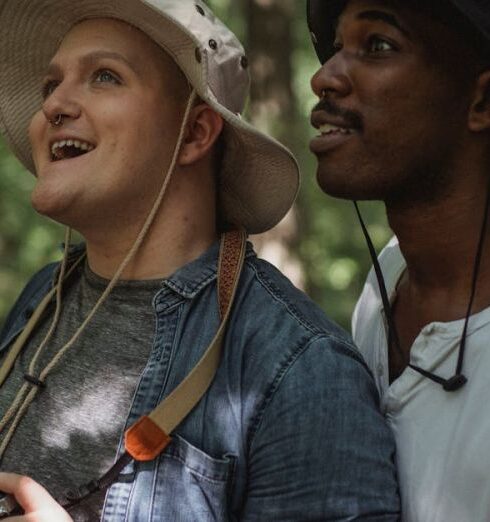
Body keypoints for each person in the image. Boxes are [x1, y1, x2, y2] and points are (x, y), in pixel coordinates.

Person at [0, 1, 400, 521]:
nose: (54, 104)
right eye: (52, 83)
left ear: (194, 135)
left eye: (104, 76)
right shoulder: (44, 297)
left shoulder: (300, 368)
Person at [307, 0, 490, 520]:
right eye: (337, 47)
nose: (325, 77)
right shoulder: (387, 276)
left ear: (481, 101)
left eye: (378, 46)